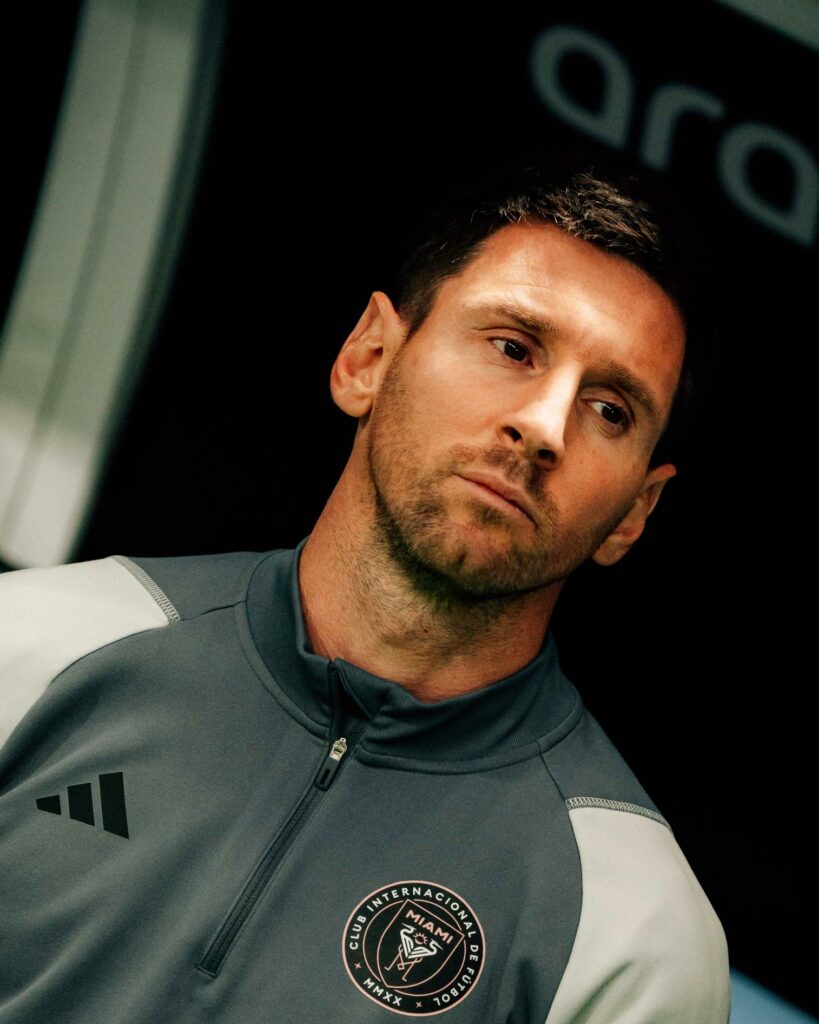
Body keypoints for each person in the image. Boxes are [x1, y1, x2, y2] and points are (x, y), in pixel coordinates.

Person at [0, 159, 730, 1023]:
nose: (542, 427)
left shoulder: (635, 937)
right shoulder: (30, 648)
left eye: (609, 409)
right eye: (512, 348)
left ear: (634, 513)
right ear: (368, 357)